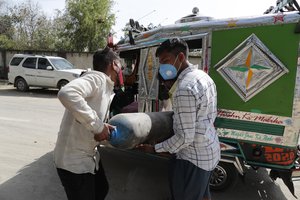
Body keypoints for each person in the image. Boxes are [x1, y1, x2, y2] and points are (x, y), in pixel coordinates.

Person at [140, 38, 220, 200]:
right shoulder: (203, 77)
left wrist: (155, 148)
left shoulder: (184, 88)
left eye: (166, 61)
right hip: (209, 152)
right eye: (160, 62)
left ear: (181, 57)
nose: (162, 66)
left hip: (192, 159)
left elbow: (184, 137)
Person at [53, 46, 123, 200]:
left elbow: (90, 121)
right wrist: (98, 127)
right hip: (73, 162)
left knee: (101, 189)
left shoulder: (106, 86)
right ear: (114, 65)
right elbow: (67, 93)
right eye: (121, 66)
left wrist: (103, 131)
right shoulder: (97, 78)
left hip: (89, 157)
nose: (122, 71)